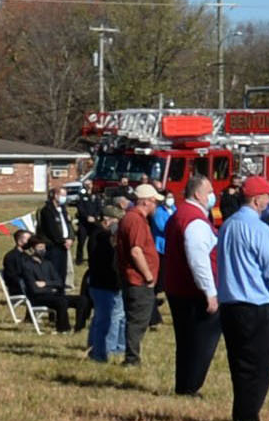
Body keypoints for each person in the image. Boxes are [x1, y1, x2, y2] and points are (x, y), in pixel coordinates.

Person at [214, 177, 269, 421]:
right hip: (256, 303)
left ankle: (241, 412)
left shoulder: (227, 226)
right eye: (267, 197)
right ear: (258, 200)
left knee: (238, 361)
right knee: (259, 365)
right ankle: (248, 416)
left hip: (229, 303)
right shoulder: (260, 230)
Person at [161, 170, 222, 397]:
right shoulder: (193, 220)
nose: (212, 196)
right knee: (200, 342)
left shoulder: (179, 215)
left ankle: (185, 383)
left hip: (178, 287)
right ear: (198, 194)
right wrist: (209, 292)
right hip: (193, 291)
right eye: (209, 192)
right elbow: (198, 259)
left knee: (186, 341)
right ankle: (191, 385)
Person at [1, 221, 84, 330]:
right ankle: (63, 329)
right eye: (39, 247)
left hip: (50, 292)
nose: (42, 250)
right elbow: (28, 283)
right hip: (36, 294)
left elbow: (59, 282)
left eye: (43, 247)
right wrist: (49, 286)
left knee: (82, 300)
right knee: (61, 301)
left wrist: (47, 284)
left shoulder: (47, 263)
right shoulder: (23, 262)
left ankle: (79, 328)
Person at [118, 183, 164, 366]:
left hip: (134, 279)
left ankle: (131, 355)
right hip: (138, 280)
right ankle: (132, 358)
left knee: (137, 319)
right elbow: (136, 251)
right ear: (146, 202)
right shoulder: (135, 220)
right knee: (138, 321)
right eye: (154, 202)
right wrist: (148, 276)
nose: (156, 206)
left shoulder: (133, 218)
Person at [82, 195, 126, 360]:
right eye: (116, 222)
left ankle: (113, 347)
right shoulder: (100, 236)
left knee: (114, 317)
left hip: (109, 283)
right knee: (107, 319)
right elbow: (106, 261)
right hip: (103, 284)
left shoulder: (104, 236)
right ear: (107, 220)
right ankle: (105, 350)